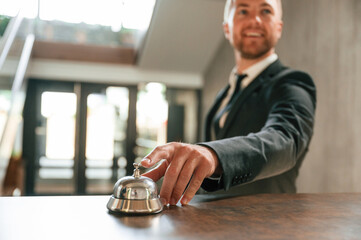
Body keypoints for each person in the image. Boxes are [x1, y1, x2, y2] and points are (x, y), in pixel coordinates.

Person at [141, 0, 316, 206]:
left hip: (269, 223)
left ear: (278, 28)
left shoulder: (292, 82)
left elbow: (286, 140)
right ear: (227, 27)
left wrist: (213, 154)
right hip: (213, 223)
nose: (255, 20)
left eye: (266, 11)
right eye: (243, 11)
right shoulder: (223, 95)